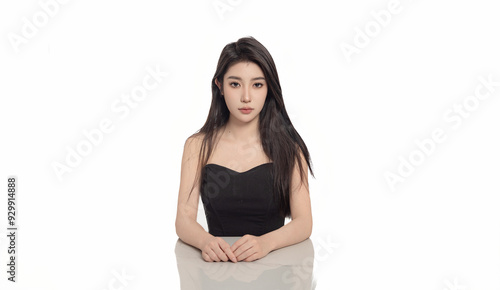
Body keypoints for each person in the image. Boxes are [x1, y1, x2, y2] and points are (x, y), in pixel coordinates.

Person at [175, 36, 314, 263]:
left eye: (257, 84)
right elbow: (184, 217)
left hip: (274, 269)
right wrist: (205, 241)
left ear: (269, 88)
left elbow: (304, 222)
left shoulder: (289, 147)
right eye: (235, 84)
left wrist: (266, 243)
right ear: (219, 86)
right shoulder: (197, 145)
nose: (246, 97)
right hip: (217, 269)